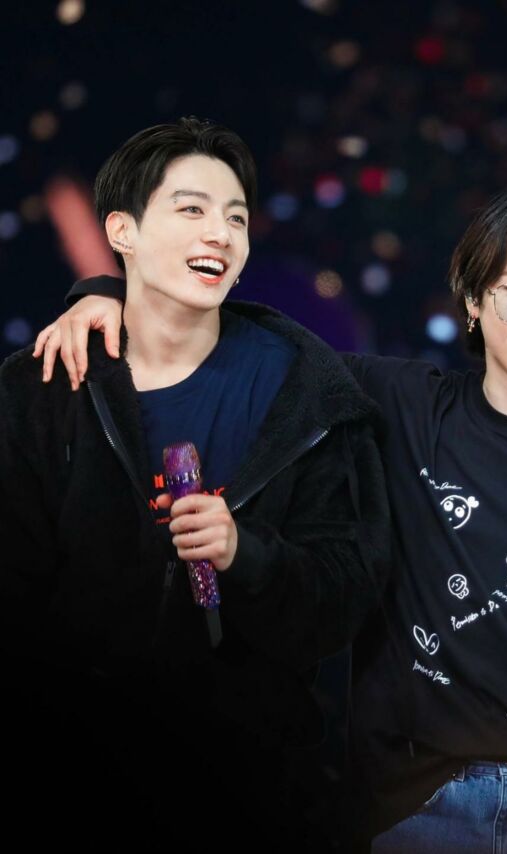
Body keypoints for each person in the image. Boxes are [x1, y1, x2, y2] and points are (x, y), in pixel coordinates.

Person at [34, 185, 507, 852]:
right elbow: (234, 341)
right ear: (473, 298)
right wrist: (106, 293)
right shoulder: (398, 405)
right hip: (420, 809)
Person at [0, 117, 390, 853]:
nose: (220, 234)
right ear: (122, 231)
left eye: (236, 218)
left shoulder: (305, 392)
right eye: (191, 209)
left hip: (250, 791)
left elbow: (345, 594)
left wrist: (248, 555)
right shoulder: (44, 387)